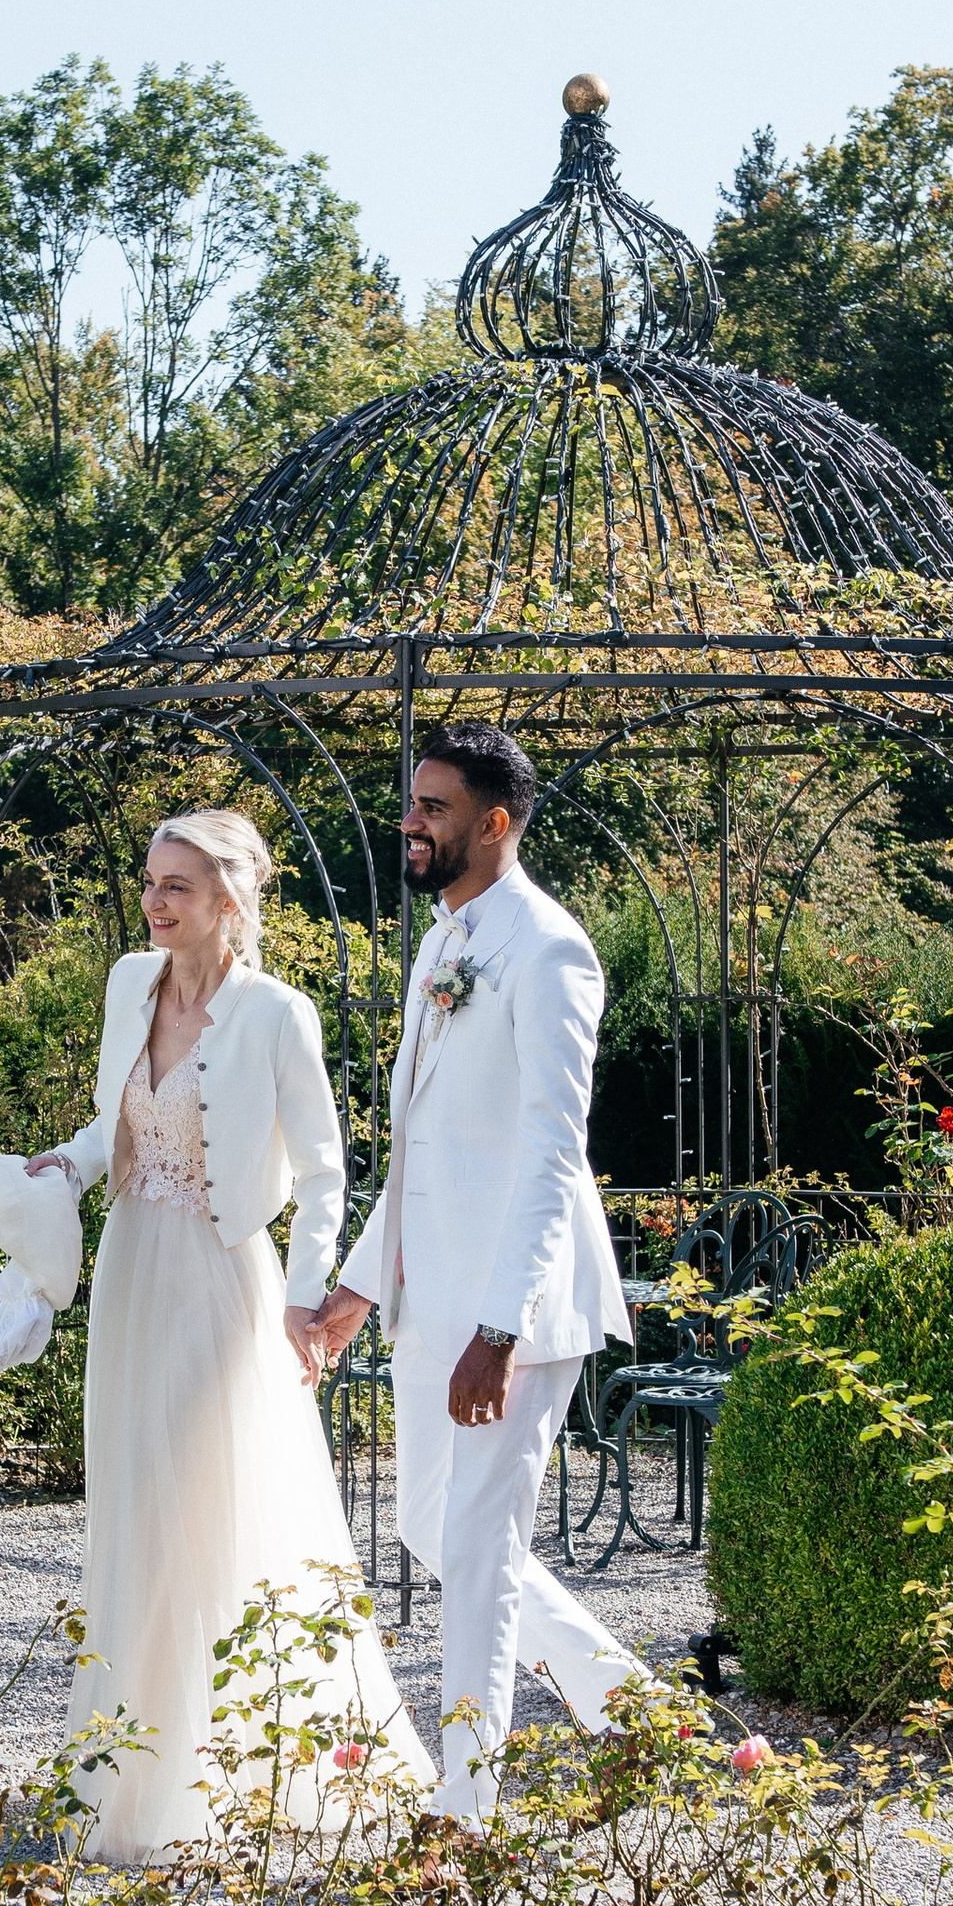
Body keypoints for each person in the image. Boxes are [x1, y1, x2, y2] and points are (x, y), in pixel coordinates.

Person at [26, 808, 432, 1861]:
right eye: (152, 881)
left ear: (230, 903)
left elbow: (325, 1169)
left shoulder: (275, 1014)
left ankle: (237, 1772)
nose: (157, 902)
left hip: (222, 1280)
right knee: (132, 1502)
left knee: (206, 1498)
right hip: (128, 1272)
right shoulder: (127, 984)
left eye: (179, 887)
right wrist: (61, 1168)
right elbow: (115, 1122)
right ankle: (130, 1770)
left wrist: (308, 1296)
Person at [311, 723, 639, 1819]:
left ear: (494, 825)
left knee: (481, 1551)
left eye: (434, 809)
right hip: (431, 1295)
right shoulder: (444, 944)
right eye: (413, 804)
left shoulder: (550, 950)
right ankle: (642, 1719)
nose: (410, 823)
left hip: (518, 1308)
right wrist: (360, 1286)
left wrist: (498, 1329)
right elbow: (414, 1146)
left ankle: (465, 1804)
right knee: (424, 1529)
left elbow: (553, 1150)